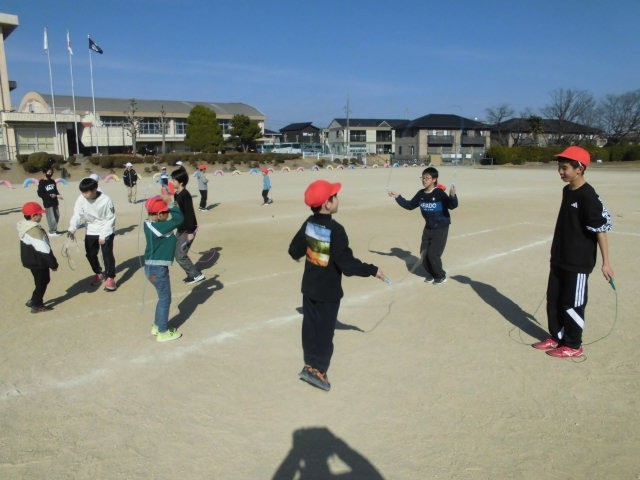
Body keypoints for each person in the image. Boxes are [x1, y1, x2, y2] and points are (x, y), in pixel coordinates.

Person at [288, 180, 385, 391]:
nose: (337, 199)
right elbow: (347, 265)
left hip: (309, 287)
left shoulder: (309, 223)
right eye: (335, 196)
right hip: (328, 292)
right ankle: (318, 370)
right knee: (325, 331)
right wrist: (372, 269)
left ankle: (309, 364)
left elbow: (294, 250)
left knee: (310, 326)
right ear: (328, 204)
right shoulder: (336, 230)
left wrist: (307, 252)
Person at [532, 146, 614, 358]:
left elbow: (601, 230)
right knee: (554, 300)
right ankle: (557, 337)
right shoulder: (567, 190)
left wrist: (606, 262)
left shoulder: (588, 196)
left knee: (572, 304)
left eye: (565, 168)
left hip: (578, 262)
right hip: (560, 258)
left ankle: (573, 345)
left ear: (580, 168)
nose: (561, 172)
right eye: (559, 167)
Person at [388, 167, 458, 284]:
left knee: (433, 254)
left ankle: (440, 276)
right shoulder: (421, 194)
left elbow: (452, 206)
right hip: (428, 227)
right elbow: (410, 205)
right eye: (423, 178)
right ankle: (431, 273)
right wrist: (398, 197)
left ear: (434, 179)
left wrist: (453, 196)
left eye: (427, 178)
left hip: (441, 227)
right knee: (423, 254)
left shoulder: (439, 193)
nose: (424, 180)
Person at [143, 192, 184, 342]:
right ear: (160, 214)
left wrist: (163, 201)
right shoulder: (161, 227)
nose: (169, 215)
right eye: (167, 213)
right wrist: (170, 203)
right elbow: (179, 219)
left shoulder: (148, 224)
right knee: (165, 299)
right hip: (158, 270)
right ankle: (163, 331)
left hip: (150, 270)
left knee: (162, 298)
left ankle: (157, 325)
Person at [67, 176, 118, 291]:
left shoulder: (106, 200)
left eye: (86, 192)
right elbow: (77, 214)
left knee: (107, 254)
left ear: (94, 189)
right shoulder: (81, 199)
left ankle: (110, 277)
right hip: (91, 229)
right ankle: (98, 273)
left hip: (106, 229)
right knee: (90, 254)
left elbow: (110, 219)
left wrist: (103, 235)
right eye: (82, 192)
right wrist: (72, 228)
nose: (84, 194)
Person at [18, 202, 59, 313]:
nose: (41, 215)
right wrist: (53, 264)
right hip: (38, 262)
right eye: (39, 214)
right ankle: (36, 304)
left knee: (39, 281)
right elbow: (44, 250)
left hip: (30, 260)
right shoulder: (35, 231)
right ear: (33, 216)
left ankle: (33, 300)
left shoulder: (24, 225)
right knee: (43, 281)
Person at [171, 168, 205, 284]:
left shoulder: (185, 195)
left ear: (181, 182)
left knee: (180, 255)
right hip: (181, 228)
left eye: (174, 180)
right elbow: (178, 212)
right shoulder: (176, 194)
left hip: (188, 229)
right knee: (177, 252)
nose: (172, 182)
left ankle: (196, 275)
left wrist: (190, 232)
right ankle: (192, 274)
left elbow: (189, 213)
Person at [37, 165, 62, 236]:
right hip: (48, 203)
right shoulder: (42, 182)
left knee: (57, 216)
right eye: (49, 172)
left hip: (55, 202)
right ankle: (52, 231)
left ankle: (54, 230)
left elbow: (55, 190)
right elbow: (40, 193)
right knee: (51, 217)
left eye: (51, 172)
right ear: (45, 172)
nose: (50, 174)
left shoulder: (52, 181)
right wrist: (49, 195)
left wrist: (58, 195)